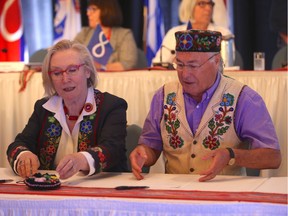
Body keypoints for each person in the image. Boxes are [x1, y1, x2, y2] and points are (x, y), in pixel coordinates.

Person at [130, 30, 281, 182]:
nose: (185, 74)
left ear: (216, 61)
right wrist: (143, 153)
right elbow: (151, 148)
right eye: (180, 65)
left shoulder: (243, 98)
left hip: (225, 196)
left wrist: (232, 155)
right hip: (175, 196)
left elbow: (272, 157)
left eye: (193, 66)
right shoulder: (163, 96)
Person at [6, 40, 128, 179]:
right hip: (51, 194)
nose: (65, 79)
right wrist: (24, 155)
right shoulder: (44, 108)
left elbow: (113, 149)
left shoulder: (111, 106)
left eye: (72, 70)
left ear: (87, 71)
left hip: (100, 193)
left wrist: (81, 160)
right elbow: (18, 144)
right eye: (57, 73)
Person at [152, 0, 234, 65]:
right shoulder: (175, 33)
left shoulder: (223, 34)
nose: (208, 8)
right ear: (189, 7)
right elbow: (158, 64)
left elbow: (227, 65)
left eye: (210, 4)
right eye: (202, 3)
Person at [74, 0, 138, 71]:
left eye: (93, 9)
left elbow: (128, 64)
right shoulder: (84, 33)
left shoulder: (124, 35)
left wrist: (101, 67)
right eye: (88, 9)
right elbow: (72, 56)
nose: (88, 13)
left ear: (106, 10)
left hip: (113, 80)